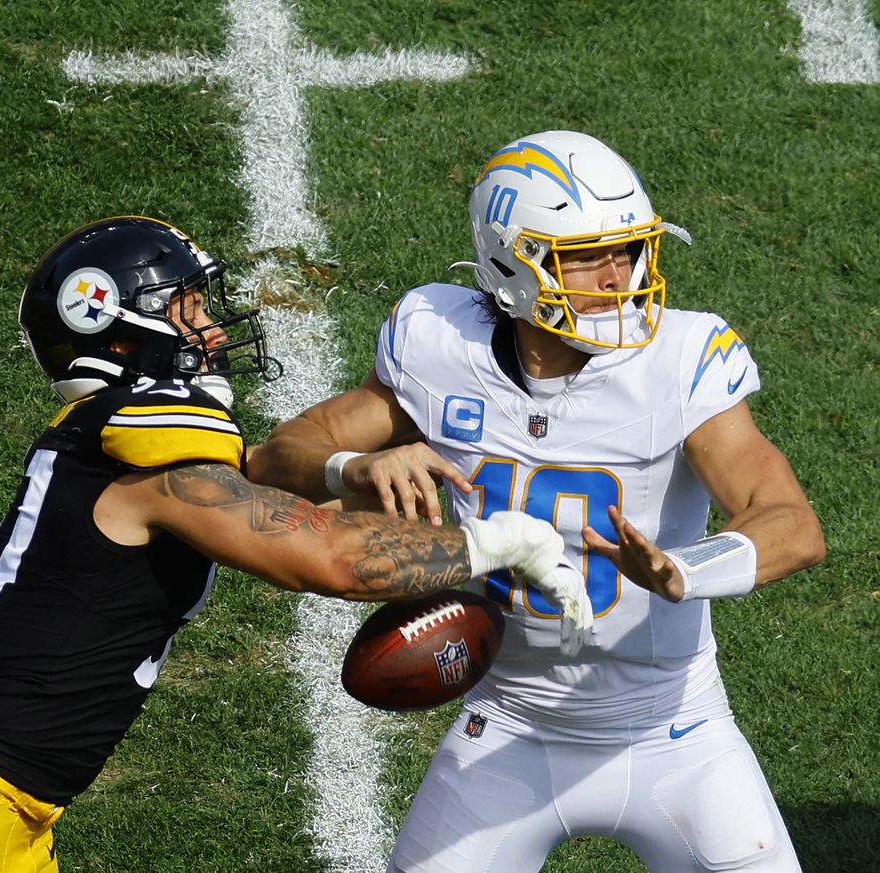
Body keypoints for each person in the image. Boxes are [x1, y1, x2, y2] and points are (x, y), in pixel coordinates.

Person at [0, 216, 589, 873]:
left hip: (5, 801)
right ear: (114, 323)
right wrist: (502, 541)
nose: (216, 328)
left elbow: (261, 480)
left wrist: (348, 466)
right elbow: (317, 552)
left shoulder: (123, 435)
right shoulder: (142, 445)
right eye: (189, 307)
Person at [249, 130, 826, 872]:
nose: (620, 276)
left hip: (677, 732)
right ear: (509, 264)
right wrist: (352, 466)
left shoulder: (681, 359)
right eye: (587, 255)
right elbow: (277, 457)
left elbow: (792, 523)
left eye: (630, 249)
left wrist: (683, 569)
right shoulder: (438, 342)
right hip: (509, 724)